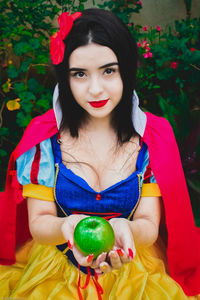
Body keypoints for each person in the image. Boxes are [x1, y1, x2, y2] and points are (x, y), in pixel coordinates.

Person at [0, 8, 199, 300]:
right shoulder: (45, 138)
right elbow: (39, 221)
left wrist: (125, 230)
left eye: (108, 70)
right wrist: (66, 226)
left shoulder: (151, 139)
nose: (95, 89)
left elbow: (148, 223)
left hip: (135, 272)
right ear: (65, 78)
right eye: (79, 74)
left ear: (126, 70)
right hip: (56, 266)